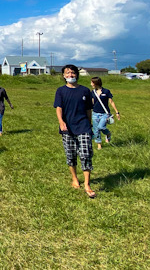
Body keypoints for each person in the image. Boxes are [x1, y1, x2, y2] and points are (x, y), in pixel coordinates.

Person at [53, 64, 96, 198]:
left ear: (76, 74)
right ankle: (75, 179)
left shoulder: (84, 91)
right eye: (67, 73)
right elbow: (58, 108)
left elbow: (89, 109)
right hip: (67, 128)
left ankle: (87, 184)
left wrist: (90, 124)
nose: (70, 75)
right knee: (70, 155)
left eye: (72, 73)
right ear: (63, 75)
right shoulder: (60, 91)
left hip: (83, 126)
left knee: (86, 153)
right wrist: (61, 122)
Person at [90, 77, 120, 150]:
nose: (91, 84)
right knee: (96, 130)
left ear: (96, 83)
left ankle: (108, 133)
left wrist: (117, 112)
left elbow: (111, 102)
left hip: (105, 113)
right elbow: (92, 102)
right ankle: (99, 145)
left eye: (92, 82)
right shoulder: (92, 92)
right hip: (95, 113)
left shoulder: (106, 91)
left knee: (101, 127)